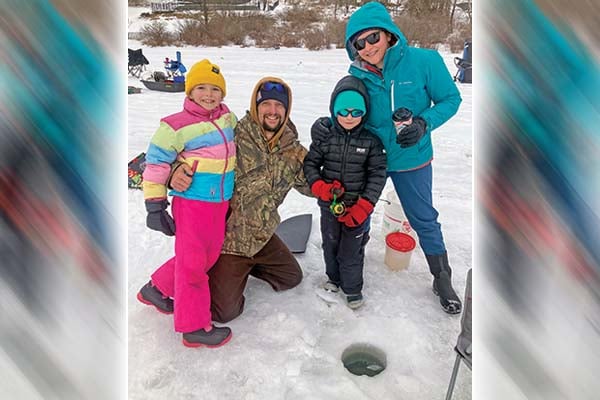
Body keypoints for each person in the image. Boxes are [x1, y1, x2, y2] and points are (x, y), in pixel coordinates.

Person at [343, 1, 463, 314]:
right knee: (360, 213)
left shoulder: (425, 61)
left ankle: (442, 276)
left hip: (413, 158)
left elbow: (451, 99)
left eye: (373, 38)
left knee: (423, 218)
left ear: (388, 34)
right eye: (360, 42)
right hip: (374, 159)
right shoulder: (356, 73)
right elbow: (350, 113)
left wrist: (424, 123)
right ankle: (352, 272)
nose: (368, 47)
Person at [169, 77, 313, 323]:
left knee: (291, 278)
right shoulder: (232, 135)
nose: (272, 111)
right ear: (256, 107)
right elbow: (184, 152)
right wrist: (174, 171)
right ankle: (218, 268)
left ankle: (249, 266)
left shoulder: (294, 151)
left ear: (286, 111)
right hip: (229, 240)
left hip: (262, 236)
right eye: (266, 104)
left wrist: (338, 168)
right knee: (225, 313)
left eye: (279, 106)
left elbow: (312, 185)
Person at [137, 59, 237, 347]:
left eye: (215, 89)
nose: (209, 95)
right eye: (201, 88)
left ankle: (157, 289)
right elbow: (155, 164)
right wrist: (155, 205)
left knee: (208, 257)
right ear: (190, 92)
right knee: (194, 265)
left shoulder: (226, 118)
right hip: (192, 205)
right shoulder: (174, 126)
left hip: (219, 203)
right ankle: (194, 327)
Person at [303, 75, 387, 309]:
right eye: (343, 111)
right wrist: (320, 186)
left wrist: (365, 205)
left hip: (357, 209)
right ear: (334, 110)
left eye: (356, 112)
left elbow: (378, 174)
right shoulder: (325, 137)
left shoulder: (372, 142)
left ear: (364, 113)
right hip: (329, 207)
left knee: (351, 250)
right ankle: (334, 278)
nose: (349, 117)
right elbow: (310, 164)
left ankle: (352, 288)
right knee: (330, 243)